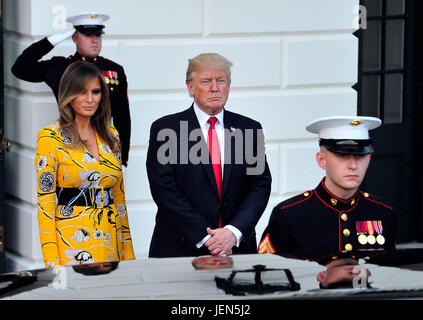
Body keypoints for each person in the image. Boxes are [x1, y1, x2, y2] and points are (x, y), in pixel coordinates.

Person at [146, 53, 272, 258]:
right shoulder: (166, 129)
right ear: (190, 87)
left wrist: (233, 232)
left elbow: (260, 185)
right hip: (180, 249)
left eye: (221, 80)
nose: (215, 88)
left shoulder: (248, 129)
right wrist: (207, 238)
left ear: (228, 86)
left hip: (237, 249)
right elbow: (163, 189)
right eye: (206, 81)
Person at [258, 116, 396, 288]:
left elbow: (391, 273)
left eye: (360, 156)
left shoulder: (382, 212)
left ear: (368, 159)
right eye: (343, 156)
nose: (353, 165)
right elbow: (266, 274)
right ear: (321, 160)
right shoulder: (289, 214)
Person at [35, 61, 135, 269]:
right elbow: (45, 206)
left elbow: (119, 200)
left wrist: (129, 255)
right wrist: (52, 264)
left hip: (110, 241)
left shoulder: (111, 136)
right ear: (68, 94)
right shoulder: (50, 138)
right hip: (72, 243)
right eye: (82, 92)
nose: (90, 99)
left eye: (96, 92)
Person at [12, 12, 131, 166]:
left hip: (104, 144)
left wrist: (122, 155)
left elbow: (123, 116)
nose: (94, 40)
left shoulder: (114, 70)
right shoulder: (61, 67)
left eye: (98, 34)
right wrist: (51, 41)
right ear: (75, 38)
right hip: (69, 142)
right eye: (88, 35)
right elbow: (20, 68)